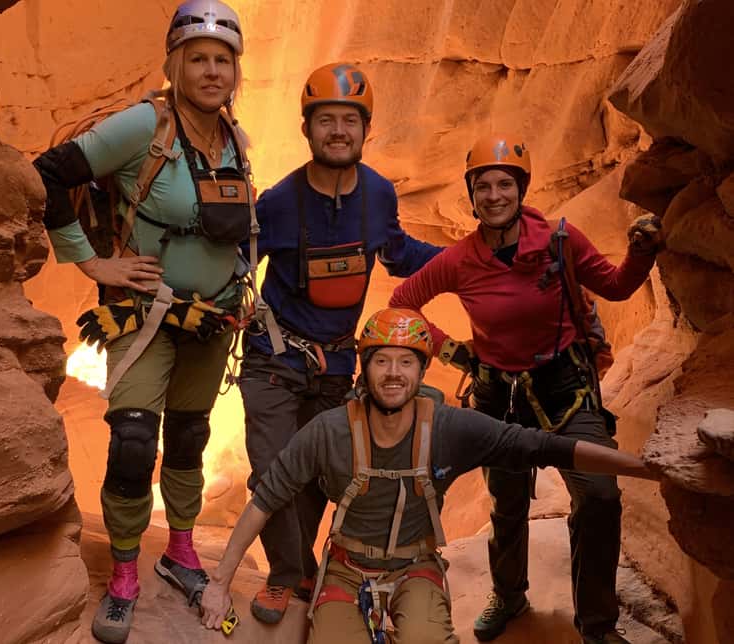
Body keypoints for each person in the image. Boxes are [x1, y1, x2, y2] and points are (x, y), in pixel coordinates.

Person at [199, 308, 659, 643]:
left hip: (414, 568)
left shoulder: (448, 428)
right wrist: (219, 585)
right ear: (365, 368)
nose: (393, 373)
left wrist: (643, 468)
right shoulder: (331, 430)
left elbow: (542, 446)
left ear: (422, 370)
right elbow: (267, 497)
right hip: (346, 569)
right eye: (382, 361)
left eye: (406, 362)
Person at [32, 2, 254, 642]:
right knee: (133, 445)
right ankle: (124, 572)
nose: (212, 72)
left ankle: (181, 550)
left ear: (235, 71)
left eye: (223, 61)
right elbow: (50, 176)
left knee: (189, 438)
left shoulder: (234, 139)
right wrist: (92, 263)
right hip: (145, 314)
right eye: (199, 59)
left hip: (213, 318)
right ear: (174, 64)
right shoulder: (143, 125)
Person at [388, 134, 663, 644]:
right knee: (507, 503)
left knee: (599, 496)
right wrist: (452, 351)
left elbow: (618, 286)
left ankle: (597, 627)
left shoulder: (559, 239)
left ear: (521, 190)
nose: (494, 195)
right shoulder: (460, 259)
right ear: (472, 196)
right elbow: (402, 302)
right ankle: (509, 595)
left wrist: (642, 253)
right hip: (499, 399)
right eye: (484, 186)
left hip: (565, 391)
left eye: (505, 185)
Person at [239, 62, 443, 624]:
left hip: (335, 366)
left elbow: (398, 253)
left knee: (325, 474)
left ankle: (304, 567)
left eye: (349, 121)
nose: (337, 131)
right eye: (325, 119)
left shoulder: (378, 194)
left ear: (365, 129)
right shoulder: (280, 201)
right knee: (273, 467)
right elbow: (238, 261)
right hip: (274, 361)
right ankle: (288, 576)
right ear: (307, 129)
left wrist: (463, 260)